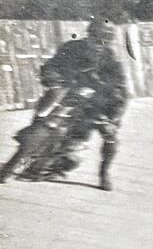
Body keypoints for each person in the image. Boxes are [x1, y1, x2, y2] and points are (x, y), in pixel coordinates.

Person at [20, 17, 128, 191]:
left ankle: (104, 173)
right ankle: (30, 140)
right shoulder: (71, 48)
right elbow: (51, 65)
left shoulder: (112, 63)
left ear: (109, 42)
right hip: (66, 96)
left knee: (109, 139)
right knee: (46, 106)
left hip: (94, 108)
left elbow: (121, 93)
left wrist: (113, 120)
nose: (99, 43)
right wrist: (51, 78)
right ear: (88, 34)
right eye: (95, 37)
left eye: (104, 40)